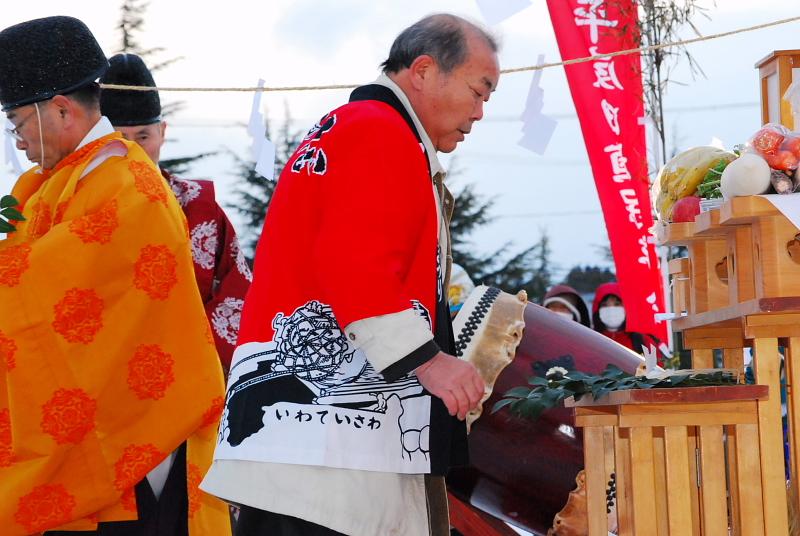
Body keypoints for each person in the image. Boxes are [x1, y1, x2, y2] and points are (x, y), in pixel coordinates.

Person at [201, 13, 500, 536]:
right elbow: (353, 260)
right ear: (424, 71)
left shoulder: (355, 125)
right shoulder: (379, 132)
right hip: (323, 441)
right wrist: (430, 362)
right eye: (479, 91)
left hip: (304, 431)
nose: (479, 112)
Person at [0, 17, 230, 535]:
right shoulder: (47, 184)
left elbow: (47, 291)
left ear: (59, 108)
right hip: (96, 434)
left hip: (132, 444)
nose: (18, 143)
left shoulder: (126, 184)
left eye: (18, 124)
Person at [100, 53, 252, 374]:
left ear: (162, 132)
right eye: (119, 139)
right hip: (107, 376)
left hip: (193, 373)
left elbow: (236, 292)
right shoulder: (77, 210)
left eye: (143, 136)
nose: (133, 151)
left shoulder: (200, 207)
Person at [592, 282, 659, 356]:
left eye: (617, 304)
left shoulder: (644, 340)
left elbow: (658, 366)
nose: (611, 309)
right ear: (597, 309)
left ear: (627, 308)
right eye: (604, 305)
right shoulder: (589, 340)